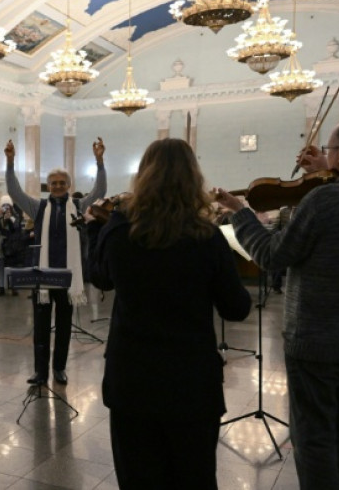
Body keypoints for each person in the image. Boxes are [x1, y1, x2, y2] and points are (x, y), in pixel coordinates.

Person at [215, 114, 339, 490]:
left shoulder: (324, 199)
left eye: (330, 149)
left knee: (313, 438)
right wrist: (324, 170)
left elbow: (272, 255)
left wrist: (240, 214)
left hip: (316, 339)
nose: (327, 154)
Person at [86, 138, 251, 489]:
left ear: (143, 176)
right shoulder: (207, 237)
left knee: (138, 480)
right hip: (190, 384)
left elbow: (99, 276)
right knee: (194, 479)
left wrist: (93, 227)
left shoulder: (119, 231)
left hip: (132, 381)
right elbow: (236, 309)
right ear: (193, 178)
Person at [4, 137, 107, 385]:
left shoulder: (79, 205)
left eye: (62, 183)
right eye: (53, 183)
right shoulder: (38, 207)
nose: (58, 186)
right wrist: (10, 163)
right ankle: (40, 372)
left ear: (69, 186)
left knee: (63, 327)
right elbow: (14, 192)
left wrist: (100, 161)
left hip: (68, 278)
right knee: (40, 328)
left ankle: (59, 368)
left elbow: (100, 192)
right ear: (48, 186)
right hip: (43, 278)